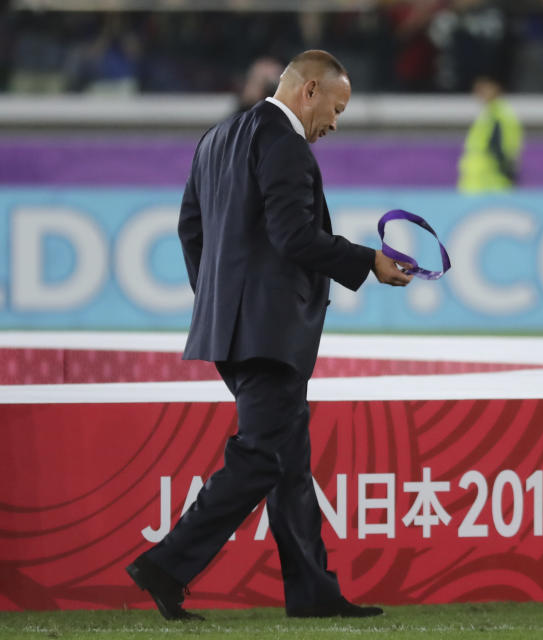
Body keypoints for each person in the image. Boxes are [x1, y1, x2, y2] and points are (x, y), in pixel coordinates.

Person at [125, 50, 412, 621]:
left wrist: (218, 301)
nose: (336, 121)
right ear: (309, 91)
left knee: (289, 463)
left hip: (233, 330)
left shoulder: (218, 137)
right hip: (270, 332)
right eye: (336, 106)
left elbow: (191, 228)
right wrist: (367, 262)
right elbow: (293, 236)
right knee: (260, 459)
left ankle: (314, 594)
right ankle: (166, 563)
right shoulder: (284, 144)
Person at [457, 75, 523, 193]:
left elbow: (500, 148)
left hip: (490, 183)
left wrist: (507, 173)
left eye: (484, 89)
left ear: (496, 89)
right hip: (480, 182)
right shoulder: (490, 113)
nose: (479, 94)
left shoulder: (499, 115)